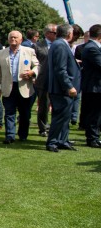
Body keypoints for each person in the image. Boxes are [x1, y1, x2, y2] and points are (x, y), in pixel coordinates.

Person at [0, 31, 39, 144]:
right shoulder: (1, 53)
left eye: (16, 37)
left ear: (21, 40)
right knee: (9, 113)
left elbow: (37, 65)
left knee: (25, 114)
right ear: (8, 39)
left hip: (24, 87)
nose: (13, 39)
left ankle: (23, 135)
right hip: (8, 87)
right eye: (11, 37)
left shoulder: (29, 51)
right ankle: (10, 135)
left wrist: (32, 72)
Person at [45, 24, 81, 152]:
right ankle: (52, 142)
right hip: (61, 89)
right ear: (69, 34)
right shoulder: (60, 45)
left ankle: (62, 140)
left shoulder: (59, 44)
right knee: (60, 117)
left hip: (62, 89)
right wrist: (69, 86)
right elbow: (60, 69)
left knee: (65, 116)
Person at [33, 24, 57, 137]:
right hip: (43, 80)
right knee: (43, 105)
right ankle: (43, 128)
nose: (58, 35)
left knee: (57, 105)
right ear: (48, 33)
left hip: (57, 80)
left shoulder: (59, 45)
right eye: (55, 33)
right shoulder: (37, 46)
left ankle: (56, 128)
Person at [80, 24, 101, 148]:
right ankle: (92, 138)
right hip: (95, 86)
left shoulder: (92, 47)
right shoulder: (92, 48)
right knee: (94, 114)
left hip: (95, 86)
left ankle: (94, 137)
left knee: (96, 114)